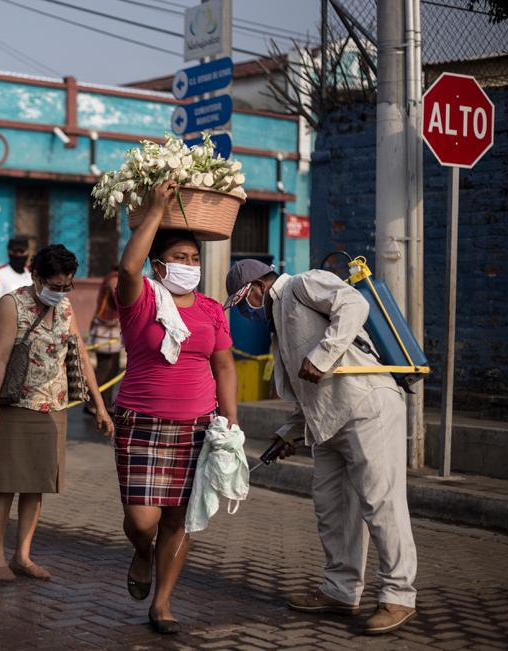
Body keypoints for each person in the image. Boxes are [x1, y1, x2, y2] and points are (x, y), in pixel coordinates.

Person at [223, 258, 418, 636]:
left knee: (380, 503)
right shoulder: (279, 322)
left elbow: (354, 305)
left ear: (259, 288)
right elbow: (306, 392)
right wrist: (287, 433)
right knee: (333, 507)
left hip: (366, 406)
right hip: (328, 420)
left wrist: (322, 354)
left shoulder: (302, 284)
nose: (245, 314)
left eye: (244, 302)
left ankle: (398, 595)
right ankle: (340, 591)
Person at [113, 183, 237, 635]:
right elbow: (127, 266)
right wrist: (157, 209)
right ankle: (141, 551)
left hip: (198, 427)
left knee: (179, 518)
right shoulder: (141, 299)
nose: (189, 266)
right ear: (158, 263)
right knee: (141, 520)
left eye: (194, 258)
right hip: (141, 424)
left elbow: (224, 366)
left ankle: (162, 603)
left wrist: (231, 423)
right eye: (179, 258)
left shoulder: (210, 309)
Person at [0, 244, 114, 582]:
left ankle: (22, 555)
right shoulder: (12, 304)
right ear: (36, 276)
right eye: (55, 285)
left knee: (36, 484)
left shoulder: (65, 307)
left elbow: (81, 357)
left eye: (67, 285)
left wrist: (99, 405)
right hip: (14, 406)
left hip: (54, 407)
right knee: (4, 482)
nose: (61, 292)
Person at [87, 266, 122, 415]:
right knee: (105, 368)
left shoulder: (114, 277)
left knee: (113, 368)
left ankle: (105, 403)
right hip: (106, 328)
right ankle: (93, 404)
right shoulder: (114, 278)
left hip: (111, 328)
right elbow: (119, 299)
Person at [0, 236, 32, 320]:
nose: (18, 255)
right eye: (15, 251)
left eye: (22, 251)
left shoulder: (31, 275)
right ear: (9, 252)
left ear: (27, 252)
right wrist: (13, 312)